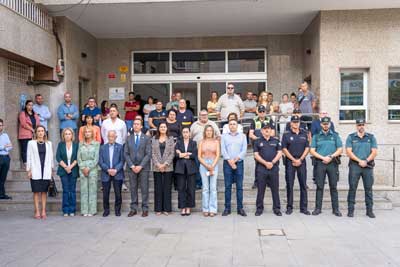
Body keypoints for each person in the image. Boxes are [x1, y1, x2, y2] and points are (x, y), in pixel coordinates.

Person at [310, 117, 343, 217]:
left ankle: (336, 209)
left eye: (327, 124)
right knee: (319, 186)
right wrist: (322, 157)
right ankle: (318, 208)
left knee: (333, 187)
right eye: (323, 124)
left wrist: (330, 156)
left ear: (330, 124)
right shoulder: (316, 136)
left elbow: (340, 149)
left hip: (332, 163)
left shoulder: (335, 136)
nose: (325, 125)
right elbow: (312, 150)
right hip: (320, 163)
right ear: (321, 125)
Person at [346, 119, 378, 218]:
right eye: (359, 125)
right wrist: (359, 161)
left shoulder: (371, 137)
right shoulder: (351, 137)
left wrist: (366, 161)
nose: (361, 126)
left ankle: (369, 211)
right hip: (355, 165)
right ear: (356, 126)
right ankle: (350, 210)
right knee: (352, 188)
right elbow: (348, 152)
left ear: (365, 125)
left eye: (362, 124)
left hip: (367, 166)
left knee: (368, 189)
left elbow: (374, 152)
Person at [282, 115, 311, 215]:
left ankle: (304, 208)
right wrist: (294, 159)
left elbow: (307, 147)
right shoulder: (286, 134)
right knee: (290, 184)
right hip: (290, 162)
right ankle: (289, 207)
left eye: (297, 122)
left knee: (303, 185)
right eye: (294, 122)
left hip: (301, 161)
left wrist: (301, 159)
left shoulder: (304, 133)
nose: (296, 124)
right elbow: (284, 149)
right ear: (291, 123)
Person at [253, 124, 282, 216]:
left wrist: (272, 162)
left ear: (271, 131)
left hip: (274, 168)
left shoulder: (276, 140)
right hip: (261, 168)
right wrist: (265, 163)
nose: (266, 130)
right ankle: (259, 208)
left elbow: (280, 153)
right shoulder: (257, 141)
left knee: (275, 189)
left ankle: (277, 208)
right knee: (261, 189)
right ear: (261, 131)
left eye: (268, 129)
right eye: (264, 129)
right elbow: (256, 155)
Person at [125, 119, 152, 217]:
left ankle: (145, 208)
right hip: (131, 167)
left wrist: (140, 166)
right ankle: (133, 208)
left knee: (144, 188)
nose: (136, 126)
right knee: (133, 188)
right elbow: (126, 153)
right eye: (134, 124)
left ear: (141, 126)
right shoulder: (128, 138)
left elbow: (148, 154)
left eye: (138, 124)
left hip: (143, 167)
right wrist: (132, 165)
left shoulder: (147, 138)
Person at [221, 119, 247, 217]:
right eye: (230, 124)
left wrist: (235, 160)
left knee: (239, 187)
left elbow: (244, 150)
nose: (232, 126)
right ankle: (227, 208)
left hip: (239, 163)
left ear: (237, 126)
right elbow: (223, 150)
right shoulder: (224, 136)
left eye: (234, 124)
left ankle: (240, 208)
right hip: (227, 163)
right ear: (228, 126)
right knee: (228, 186)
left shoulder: (243, 136)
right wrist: (230, 161)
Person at [26, 126, 53, 219]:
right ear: (36, 133)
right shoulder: (31, 143)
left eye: (42, 131)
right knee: (36, 192)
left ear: (45, 132)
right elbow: (28, 156)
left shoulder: (49, 143)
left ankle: (43, 210)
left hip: (45, 171)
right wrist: (28, 170)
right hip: (35, 170)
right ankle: (37, 211)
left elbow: (51, 158)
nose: (41, 133)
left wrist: (51, 170)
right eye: (39, 131)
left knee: (44, 192)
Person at [99, 130, 125, 217]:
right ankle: (106, 210)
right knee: (105, 194)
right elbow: (100, 161)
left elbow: (122, 161)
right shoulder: (102, 147)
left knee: (118, 193)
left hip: (117, 173)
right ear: (107, 137)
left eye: (112, 136)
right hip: (106, 173)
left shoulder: (120, 147)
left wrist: (115, 170)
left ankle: (117, 210)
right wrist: (108, 170)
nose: (111, 138)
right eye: (109, 136)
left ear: (115, 137)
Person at [248, 105, 276, 189]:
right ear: (257, 112)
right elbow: (251, 134)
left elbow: (273, 133)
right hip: (258, 145)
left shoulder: (269, 120)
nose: (262, 113)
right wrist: (258, 139)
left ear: (265, 112)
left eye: (263, 111)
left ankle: (268, 182)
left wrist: (265, 136)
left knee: (268, 161)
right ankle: (257, 182)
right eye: (260, 111)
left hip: (268, 144)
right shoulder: (254, 120)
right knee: (258, 164)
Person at [152, 122, 175, 215]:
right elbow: (152, 153)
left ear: (167, 128)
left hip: (168, 167)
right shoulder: (154, 139)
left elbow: (172, 153)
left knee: (167, 188)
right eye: (161, 127)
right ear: (158, 128)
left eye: (164, 127)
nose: (162, 128)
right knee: (158, 188)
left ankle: (166, 209)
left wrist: (165, 164)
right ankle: (158, 209)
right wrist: (158, 164)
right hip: (157, 167)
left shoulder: (171, 139)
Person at [77, 127, 100, 216]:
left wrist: (89, 168)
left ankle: (92, 210)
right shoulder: (80, 144)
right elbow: (78, 157)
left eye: (89, 132)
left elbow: (96, 158)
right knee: (84, 190)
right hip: (82, 169)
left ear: (92, 133)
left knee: (92, 190)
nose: (87, 133)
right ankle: (84, 210)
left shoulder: (96, 144)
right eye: (86, 132)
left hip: (92, 169)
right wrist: (83, 167)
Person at [56, 128, 79, 216]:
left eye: (69, 134)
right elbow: (58, 157)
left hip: (73, 169)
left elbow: (77, 157)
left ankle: (72, 209)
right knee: (65, 190)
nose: (67, 135)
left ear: (72, 135)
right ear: (63, 135)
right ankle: (65, 210)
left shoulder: (76, 145)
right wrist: (66, 167)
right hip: (63, 170)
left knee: (72, 190)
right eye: (66, 134)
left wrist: (71, 167)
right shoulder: (60, 145)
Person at [198, 125, 220, 217]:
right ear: (205, 132)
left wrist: (212, 166)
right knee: (206, 188)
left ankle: (213, 209)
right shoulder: (201, 142)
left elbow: (218, 155)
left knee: (213, 188)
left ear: (213, 132)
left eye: (210, 130)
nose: (209, 132)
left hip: (214, 163)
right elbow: (199, 156)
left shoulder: (216, 142)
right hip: (203, 164)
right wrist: (206, 165)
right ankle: (205, 208)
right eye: (207, 130)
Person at [175, 127, 197, 216]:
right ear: (182, 133)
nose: (185, 133)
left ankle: (189, 207)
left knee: (191, 188)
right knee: (181, 188)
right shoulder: (178, 143)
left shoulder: (193, 143)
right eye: (183, 132)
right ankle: (182, 207)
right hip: (180, 168)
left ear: (189, 133)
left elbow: (194, 154)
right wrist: (187, 153)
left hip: (191, 168)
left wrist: (182, 154)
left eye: (187, 132)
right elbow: (176, 155)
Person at [19, 100, 40, 166]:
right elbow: (23, 124)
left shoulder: (35, 114)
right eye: (29, 105)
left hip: (33, 135)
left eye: (32, 105)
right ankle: (25, 163)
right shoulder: (22, 113)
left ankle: (32, 163)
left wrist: (36, 130)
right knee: (24, 149)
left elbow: (38, 123)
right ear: (26, 105)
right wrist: (32, 130)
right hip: (25, 135)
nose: (30, 106)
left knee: (33, 149)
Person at [0, 119, 12, 200]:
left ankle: (2, 194)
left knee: (3, 178)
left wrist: (5, 148)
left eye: (1, 125)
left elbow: (11, 146)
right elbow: (6, 146)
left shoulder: (5, 135)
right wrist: (4, 146)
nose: (0, 127)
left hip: (6, 158)